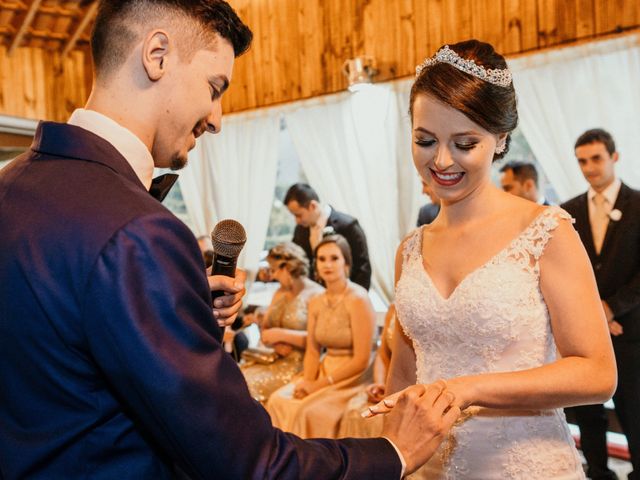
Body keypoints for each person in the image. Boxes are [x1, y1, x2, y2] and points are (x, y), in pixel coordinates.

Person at [0, 1, 460, 478]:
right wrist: (394, 451)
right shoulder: (137, 232)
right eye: (214, 87)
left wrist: (182, 310)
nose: (217, 118)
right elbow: (249, 465)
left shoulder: (13, 185)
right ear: (156, 55)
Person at [369, 40, 617, 479]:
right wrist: (388, 464)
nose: (441, 161)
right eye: (425, 140)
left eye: (465, 143)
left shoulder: (546, 231)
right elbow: (405, 379)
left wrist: (469, 389)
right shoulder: (410, 249)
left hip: (526, 465)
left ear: (500, 139)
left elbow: (597, 373)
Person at [562, 128, 640, 480]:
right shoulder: (569, 211)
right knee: (588, 416)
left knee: (634, 413)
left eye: (596, 159)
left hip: (631, 332)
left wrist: (610, 309)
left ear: (614, 157)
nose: (589, 168)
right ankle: (597, 473)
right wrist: (593, 315)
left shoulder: (639, 205)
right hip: (586, 334)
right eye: (582, 161)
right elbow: (567, 274)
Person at [267, 235, 375, 438]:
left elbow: (362, 360)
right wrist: (308, 381)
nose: (327, 264)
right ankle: (281, 464)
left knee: (308, 411)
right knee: (277, 400)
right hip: (324, 368)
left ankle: (311, 466)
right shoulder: (316, 301)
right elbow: (313, 349)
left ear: (346, 263)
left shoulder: (358, 299)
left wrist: (317, 386)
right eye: (321, 259)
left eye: (334, 258)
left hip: (353, 375)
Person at [241, 242, 323, 403]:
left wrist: (281, 335)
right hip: (272, 358)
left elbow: (319, 340)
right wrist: (274, 343)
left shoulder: (316, 295)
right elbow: (266, 332)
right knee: (234, 381)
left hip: (300, 365)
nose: (272, 276)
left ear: (287, 268)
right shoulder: (279, 292)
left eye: (274, 270)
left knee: (249, 387)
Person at [284, 182, 372, 290]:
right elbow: (296, 262)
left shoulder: (348, 225)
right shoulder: (300, 230)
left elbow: (363, 268)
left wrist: (353, 298)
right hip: (313, 299)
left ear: (313, 206)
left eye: (298, 215)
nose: (296, 221)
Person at [338, 303, 397, 438]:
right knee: (354, 410)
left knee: (378, 420)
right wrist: (379, 384)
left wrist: (392, 391)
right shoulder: (394, 308)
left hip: (410, 384)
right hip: (388, 384)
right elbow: (382, 355)